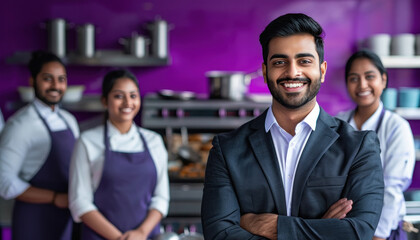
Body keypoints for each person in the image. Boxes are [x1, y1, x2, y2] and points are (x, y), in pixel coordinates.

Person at [201, 13, 385, 240]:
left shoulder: (359, 147)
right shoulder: (227, 149)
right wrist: (321, 229)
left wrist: (277, 227)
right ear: (266, 71)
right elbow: (219, 234)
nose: (292, 72)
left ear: (323, 70)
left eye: (304, 61)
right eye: (280, 62)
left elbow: (358, 232)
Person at [68, 69, 169, 240]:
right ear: (104, 101)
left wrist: (141, 233)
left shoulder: (154, 141)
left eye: (133, 95)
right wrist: (119, 238)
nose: (127, 102)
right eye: (118, 96)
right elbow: (80, 202)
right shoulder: (87, 141)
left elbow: (161, 197)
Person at [336, 50, 415, 240]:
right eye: (354, 78)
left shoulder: (396, 127)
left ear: (384, 80)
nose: (362, 85)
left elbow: (391, 187)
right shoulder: (338, 123)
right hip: (343, 226)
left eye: (369, 76)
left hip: (383, 230)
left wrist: (377, 236)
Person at [0, 50, 79, 240]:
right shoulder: (20, 125)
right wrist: (54, 198)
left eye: (61, 79)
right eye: (47, 79)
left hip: (67, 215)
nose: (56, 85)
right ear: (32, 81)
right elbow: (4, 183)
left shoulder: (68, 120)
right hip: (34, 220)